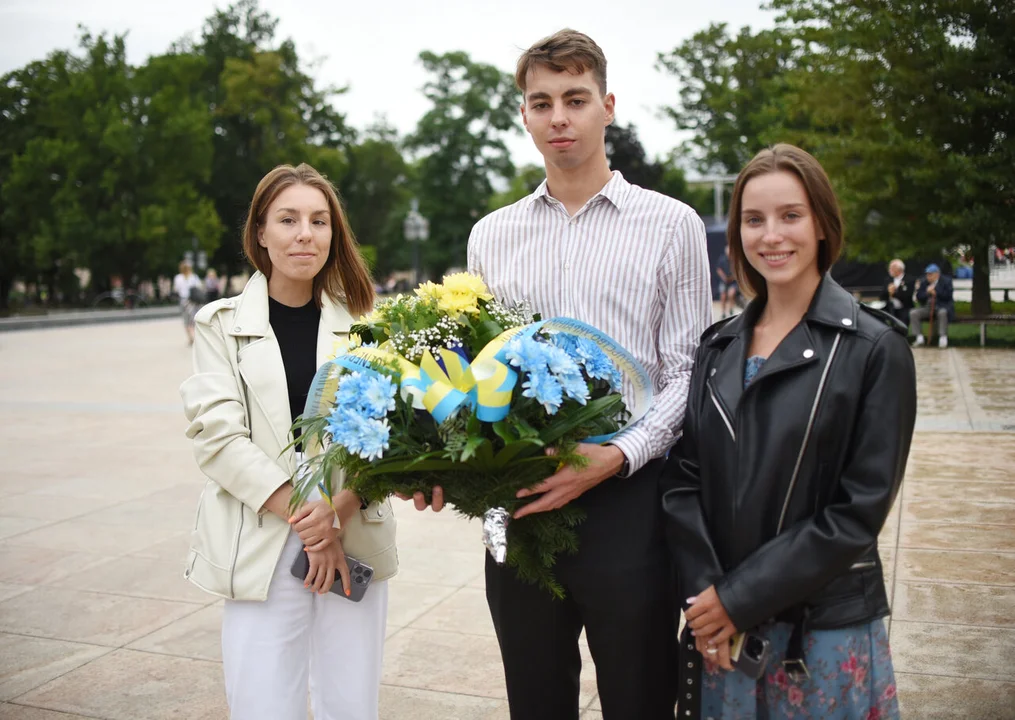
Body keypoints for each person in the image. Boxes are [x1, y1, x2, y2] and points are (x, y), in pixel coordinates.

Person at [405, 29, 712, 720]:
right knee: (535, 701)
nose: (558, 117)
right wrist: (436, 459)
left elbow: (689, 369)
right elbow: (470, 371)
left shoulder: (672, 225)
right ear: (524, 115)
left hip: (631, 503)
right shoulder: (492, 234)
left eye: (574, 99)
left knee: (639, 699)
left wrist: (615, 455)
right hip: (519, 505)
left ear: (607, 106)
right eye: (540, 102)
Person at [661, 144, 916, 720]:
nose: (771, 235)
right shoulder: (719, 345)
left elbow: (858, 511)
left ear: (823, 224)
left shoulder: (876, 349)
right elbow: (683, 478)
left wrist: (738, 598)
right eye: (754, 220)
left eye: (790, 215)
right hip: (719, 630)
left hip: (819, 633)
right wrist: (708, 599)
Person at [179, 163, 397, 720]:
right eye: (288, 219)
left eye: (319, 220)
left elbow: (395, 439)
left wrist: (338, 513)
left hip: (353, 531)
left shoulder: (371, 325)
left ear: (334, 233)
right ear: (260, 233)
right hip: (263, 533)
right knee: (263, 701)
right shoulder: (219, 325)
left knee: (351, 703)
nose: (305, 233)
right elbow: (218, 438)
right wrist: (309, 517)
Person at [910, 263, 954, 348]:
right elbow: (919, 296)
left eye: (930, 274)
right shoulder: (924, 282)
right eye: (927, 274)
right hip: (927, 307)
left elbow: (948, 296)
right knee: (914, 313)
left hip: (942, 306)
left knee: (942, 313)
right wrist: (927, 293)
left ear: (937, 274)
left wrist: (936, 292)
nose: (928, 276)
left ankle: (943, 338)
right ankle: (919, 338)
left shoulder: (946, 281)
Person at [172, 260, 202, 345]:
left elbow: (176, 289)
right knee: (194, 319)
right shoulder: (194, 277)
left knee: (186, 320)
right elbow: (199, 286)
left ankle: (191, 337)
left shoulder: (178, 278)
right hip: (194, 301)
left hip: (184, 301)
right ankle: (195, 336)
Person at [879, 258, 915, 326]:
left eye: (892, 268)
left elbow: (908, 297)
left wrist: (894, 293)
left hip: (904, 308)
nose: (889, 270)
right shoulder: (888, 280)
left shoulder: (909, 280)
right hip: (890, 307)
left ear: (899, 269)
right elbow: (881, 296)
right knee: (878, 315)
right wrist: (888, 291)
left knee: (903, 321)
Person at [716, 245, 739, 319]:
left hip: (733, 281)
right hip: (724, 281)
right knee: (723, 296)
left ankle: (731, 309)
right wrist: (724, 277)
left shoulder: (735, 260)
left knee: (731, 294)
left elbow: (738, 270)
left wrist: (732, 277)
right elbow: (718, 269)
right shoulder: (722, 259)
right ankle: (723, 312)